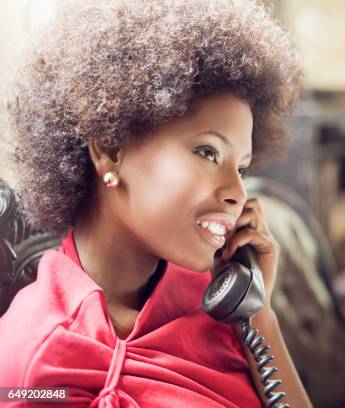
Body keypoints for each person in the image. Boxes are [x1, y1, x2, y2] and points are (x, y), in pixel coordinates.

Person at [0, 0, 311, 406]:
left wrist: (259, 315)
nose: (238, 192)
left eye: (243, 168)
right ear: (111, 150)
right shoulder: (41, 361)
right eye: (208, 153)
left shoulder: (218, 300)